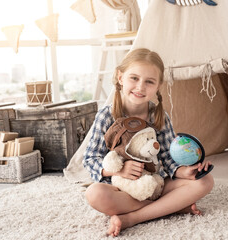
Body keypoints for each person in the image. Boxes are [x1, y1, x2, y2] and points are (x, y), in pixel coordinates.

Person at [83, 48, 214, 237]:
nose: (140, 87)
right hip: (122, 188)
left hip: (155, 185)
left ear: (158, 86)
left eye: (149, 82)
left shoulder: (159, 116)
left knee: (205, 181)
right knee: (94, 194)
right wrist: (118, 170)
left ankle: (132, 218)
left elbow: (168, 156)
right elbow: (90, 158)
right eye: (134, 78)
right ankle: (171, 207)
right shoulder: (106, 116)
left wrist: (181, 171)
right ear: (120, 78)